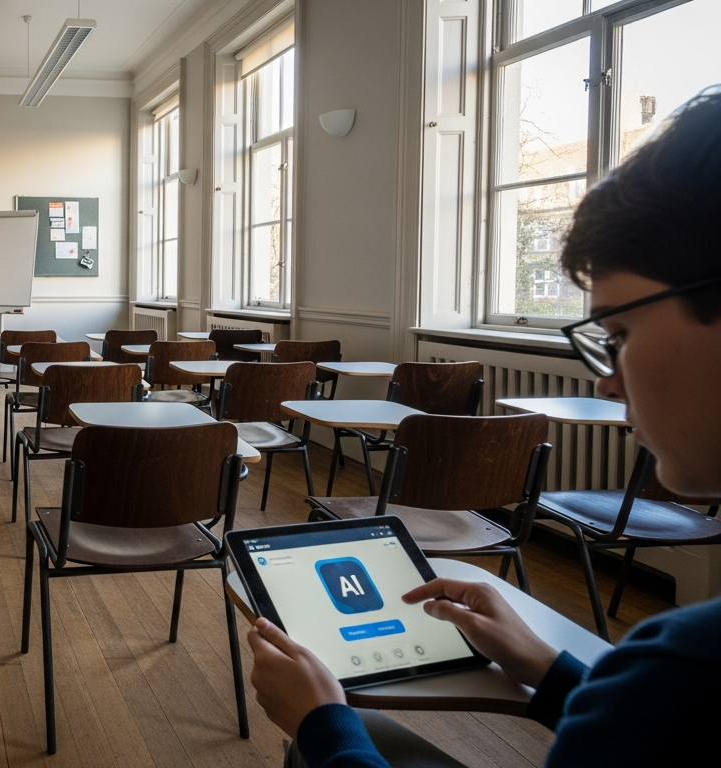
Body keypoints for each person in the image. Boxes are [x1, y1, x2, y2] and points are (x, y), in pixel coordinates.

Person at [247, 88, 721, 767]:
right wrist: (546, 665)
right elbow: (650, 734)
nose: (607, 382)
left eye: (617, 332)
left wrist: (325, 724)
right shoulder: (660, 688)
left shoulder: (681, 667)